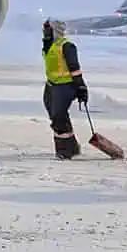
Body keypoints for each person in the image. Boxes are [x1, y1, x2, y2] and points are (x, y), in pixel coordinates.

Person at [42, 19, 88, 159]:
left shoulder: (66, 46)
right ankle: (72, 146)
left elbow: (75, 68)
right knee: (55, 116)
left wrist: (80, 86)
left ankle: (65, 150)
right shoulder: (49, 45)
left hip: (65, 86)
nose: (45, 32)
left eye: (48, 29)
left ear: (55, 30)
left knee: (58, 117)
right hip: (51, 85)